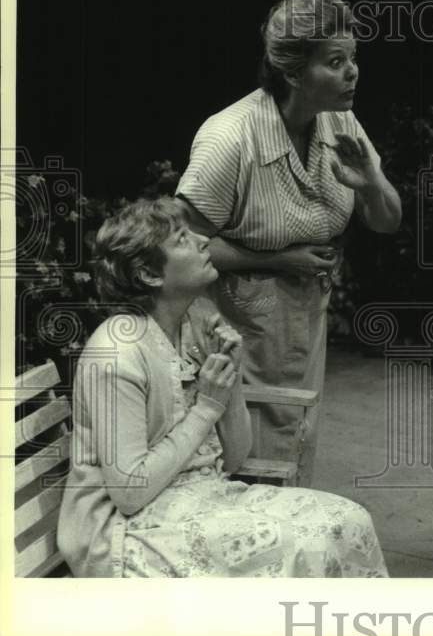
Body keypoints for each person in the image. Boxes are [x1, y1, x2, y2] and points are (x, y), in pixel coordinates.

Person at [57, 198, 388, 577]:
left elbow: (233, 459)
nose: (202, 240)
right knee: (304, 542)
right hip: (123, 532)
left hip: (200, 498)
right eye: (182, 239)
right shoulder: (119, 352)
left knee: (348, 520)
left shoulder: (194, 325)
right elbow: (130, 492)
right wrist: (206, 407)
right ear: (149, 273)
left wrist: (230, 377)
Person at [175, 0, 401, 487]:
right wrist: (278, 259)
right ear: (293, 72)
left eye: (354, 58)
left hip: (301, 325)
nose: (352, 72)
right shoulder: (232, 137)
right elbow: (176, 247)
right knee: (242, 461)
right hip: (231, 331)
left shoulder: (340, 122)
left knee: (292, 451)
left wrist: (372, 182)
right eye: (335, 61)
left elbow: (387, 221)